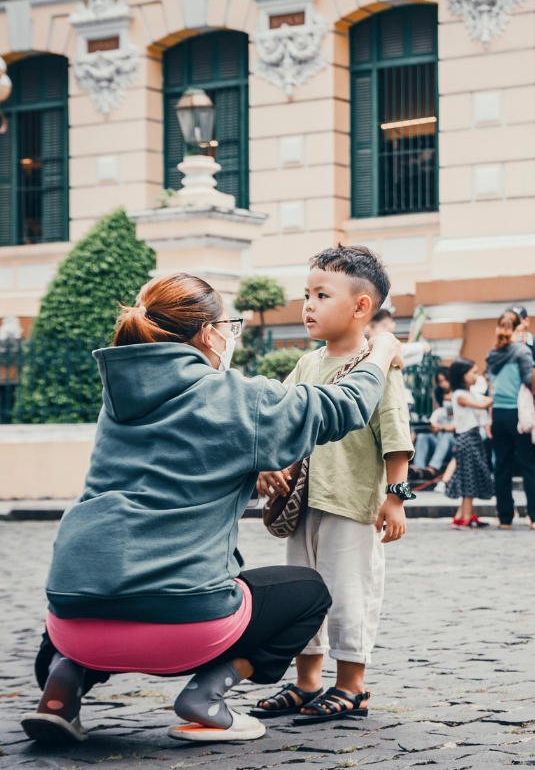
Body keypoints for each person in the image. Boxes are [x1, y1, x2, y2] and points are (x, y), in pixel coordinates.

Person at [21, 272, 402, 746]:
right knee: (307, 590)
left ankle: (64, 682)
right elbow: (342, 405)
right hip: (184, 623)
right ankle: (207, 693)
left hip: (71, 625)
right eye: (229, 325)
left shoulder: (117, 399)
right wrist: (381, 351)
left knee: (93, 586)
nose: (230, 336)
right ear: (207, 334)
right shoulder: (235, 397)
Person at [254, 246, 414, 724]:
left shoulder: (379, 366)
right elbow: (281, 421)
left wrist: (395, 499)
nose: (307, 305)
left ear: (362, 306)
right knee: (302, 594)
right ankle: (307, 682)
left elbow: (396, 439)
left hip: (351, 504)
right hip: (304, 503)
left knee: (349, 594)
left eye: (321, 295)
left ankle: (351, 686)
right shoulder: (306, 365)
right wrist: (268, 462)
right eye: (306, 294)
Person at [486, 312, 535, 530]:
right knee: (529, 466)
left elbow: (491, 386)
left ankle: (505, 518)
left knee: (502, 467)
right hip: (519, 415)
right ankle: (533, 516)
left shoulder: (492, 355)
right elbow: (528, 380)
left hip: (498, 414)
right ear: (517, 328)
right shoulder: (522, 351)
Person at [445, 359, 493, 529]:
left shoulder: (469, 393)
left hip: (473, 438)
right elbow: (483, 404)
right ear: (462, 375)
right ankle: (466, 518)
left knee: (471, 477)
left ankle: (461, 517)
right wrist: (495, 391)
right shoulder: (459, 395)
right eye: (473, 372)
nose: (476, 375)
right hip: (467, 439)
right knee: (469, 479)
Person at [409, 388, 455, 481]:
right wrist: (430, 426)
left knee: (447, 435)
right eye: (446, 399)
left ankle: (433, 468)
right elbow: (432, 424)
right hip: (438, 446)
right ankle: (419, 468)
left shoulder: (460, 412)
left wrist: (441, 427)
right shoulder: (438, 412)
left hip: (453, 447)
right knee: (423, 436)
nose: (448, 401)